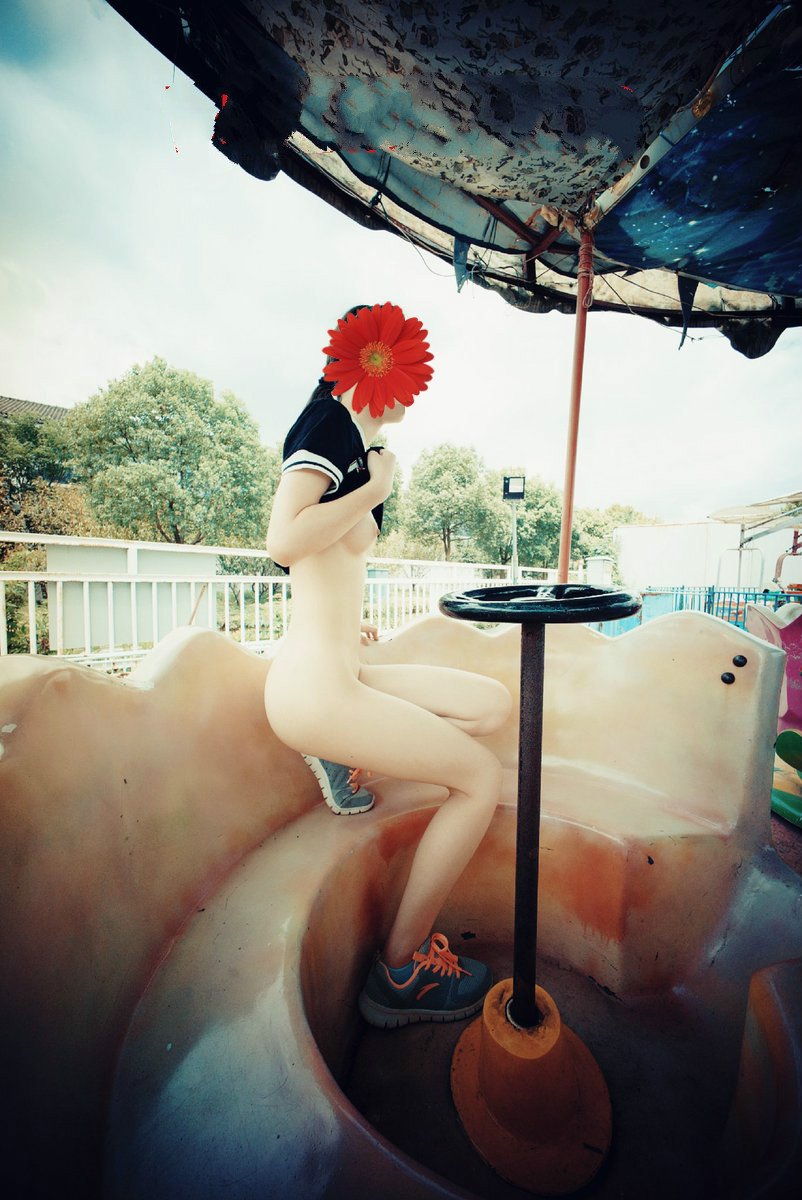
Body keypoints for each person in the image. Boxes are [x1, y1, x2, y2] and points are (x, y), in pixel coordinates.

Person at [264, 302, 511, 1028]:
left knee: (491, 706)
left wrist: (348, 622)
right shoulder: (327, 426)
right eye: (396, 365)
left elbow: (327, 558)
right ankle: (401, 970)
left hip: (340, 667)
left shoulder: (357, 441)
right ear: (362, 368)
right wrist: (374, 491)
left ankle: (337, 749)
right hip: (315, 689)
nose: (411, 383)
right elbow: (284, 542)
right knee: (480, 779)